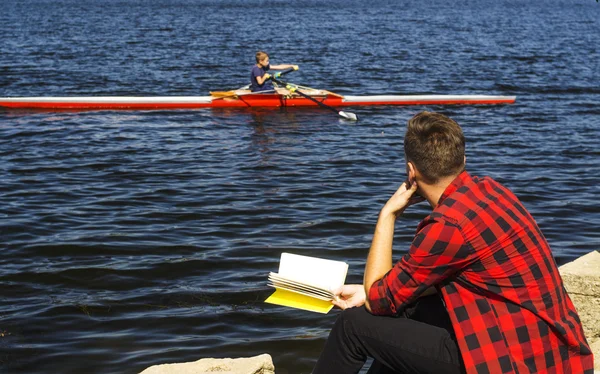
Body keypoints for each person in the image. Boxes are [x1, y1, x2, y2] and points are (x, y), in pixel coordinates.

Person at [313, 112, 594, 374]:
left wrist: (388, 215)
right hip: (555, 353)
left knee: (353, 327)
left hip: (513, 363)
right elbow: (414, 283)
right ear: (463, 157)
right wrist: (371, 294)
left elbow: (377, 300)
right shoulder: (492, 191)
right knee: (409, 308)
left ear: (411, 171)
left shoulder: (448, 225)